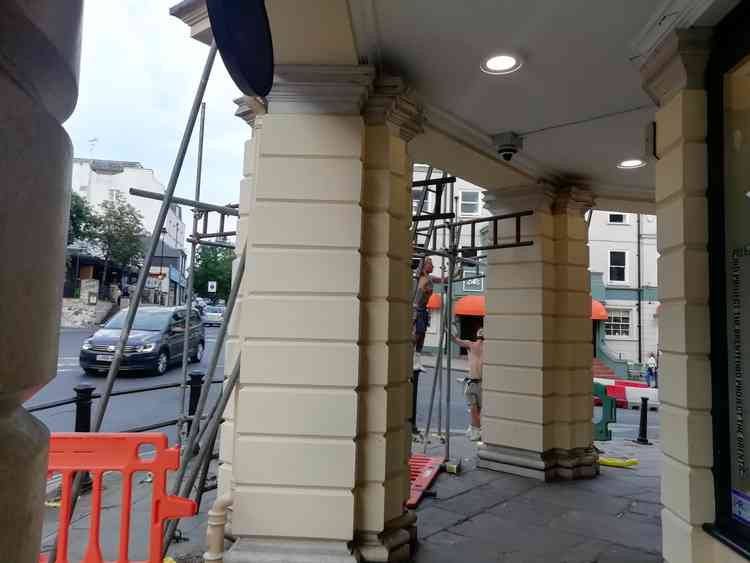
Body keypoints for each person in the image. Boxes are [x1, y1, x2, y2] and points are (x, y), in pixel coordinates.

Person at [451, 327, 484, 441]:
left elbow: (456, 340)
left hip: (473, 382)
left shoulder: (471, 345)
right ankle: (476, 429)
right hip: (480, 383)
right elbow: (456, 341)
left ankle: (476, 429)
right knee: (476, 409)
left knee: (474, 409)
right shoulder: (487, 348)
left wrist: (449, 331)